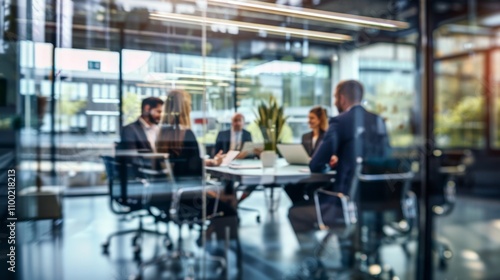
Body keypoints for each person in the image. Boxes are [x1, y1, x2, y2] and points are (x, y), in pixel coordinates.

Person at [288, 80, 391, 241]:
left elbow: (315, 164)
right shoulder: (378, 121)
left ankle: (313, 259)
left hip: (345, 202)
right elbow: (381, 156)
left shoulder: (340, 121)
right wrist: (343, 158)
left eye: (335, 97)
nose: (335, 102)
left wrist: (330, 162)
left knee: (295, 212)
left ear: (342, 98)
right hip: (378, 200)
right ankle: (354, 254)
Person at [155, 89, 237, 239]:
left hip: (168, 196)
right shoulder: (186, 134)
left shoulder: (162, 134)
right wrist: (211, 190)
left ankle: (208, 233)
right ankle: (220, 248)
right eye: (189, 105)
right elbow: (193, 173)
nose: (191, 108)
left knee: (222, 197)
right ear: (184, 108)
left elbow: (182, 164)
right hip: (188, 199)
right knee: (229, 209)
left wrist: (210, 161)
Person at [284, 106, 329, 205]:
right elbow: (303, 154)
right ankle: (302, 206)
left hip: (319, 172)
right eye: (308, 118)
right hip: (305, 170)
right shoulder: (306, 136)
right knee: (289, 186)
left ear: (320, 119)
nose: (309, 121)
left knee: (309, 187)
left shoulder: (327, 136)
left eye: (312, 118)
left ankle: (306, 208)